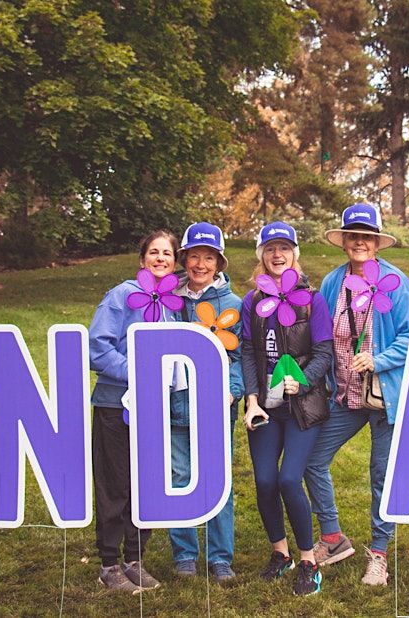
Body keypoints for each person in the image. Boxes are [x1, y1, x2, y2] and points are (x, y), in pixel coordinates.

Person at [303, 202, 409, 586]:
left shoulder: (395, 281)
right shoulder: (332, 283)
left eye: (366, 237)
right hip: (345, 397)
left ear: (376, 243)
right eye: (353, 236)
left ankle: (379, 554)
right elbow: (320, 335)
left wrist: (379, 359)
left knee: (380, 476)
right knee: (312, 462)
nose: (359, 242)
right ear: (344, 242)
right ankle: (334, 538)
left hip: (386, 396)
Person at [240, 222, 334, 596]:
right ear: (262, 255)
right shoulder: (252, 301)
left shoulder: (312, 299)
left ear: (295, 254)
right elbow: (248, 351)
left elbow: (324, 352)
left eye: (284, 248)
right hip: (266, 406)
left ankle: (309, 560)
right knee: (264, 480)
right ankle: (281, 554)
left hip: (303, 406)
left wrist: (304, 380)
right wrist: (251, 399)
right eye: (270, 248)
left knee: (289, 479)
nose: (277, 255)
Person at [88, 230, 178, 593]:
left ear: (174, 262)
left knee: (146, 485)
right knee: (116, 485)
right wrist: (139, 373)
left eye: (167, 253)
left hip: (153, 408)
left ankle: (134, 559)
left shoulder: (171, 303)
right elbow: (98, 347)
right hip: (115, 406)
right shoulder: (122, 295)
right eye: (153, 252)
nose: (160, 258)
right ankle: (109, 564)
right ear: (142, 260)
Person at [168, 222, 244, 583]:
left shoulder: (233, 304)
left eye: (208, 257)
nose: (200, 264)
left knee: (217, 479)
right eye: (194, 256)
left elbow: (245, 357)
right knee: (180, 475)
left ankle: (220, 557)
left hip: (215, 406)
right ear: (184, 258)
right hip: (174, 405)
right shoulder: (169, 299)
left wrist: (232, 389)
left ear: (219, 263)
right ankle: (184, 553)